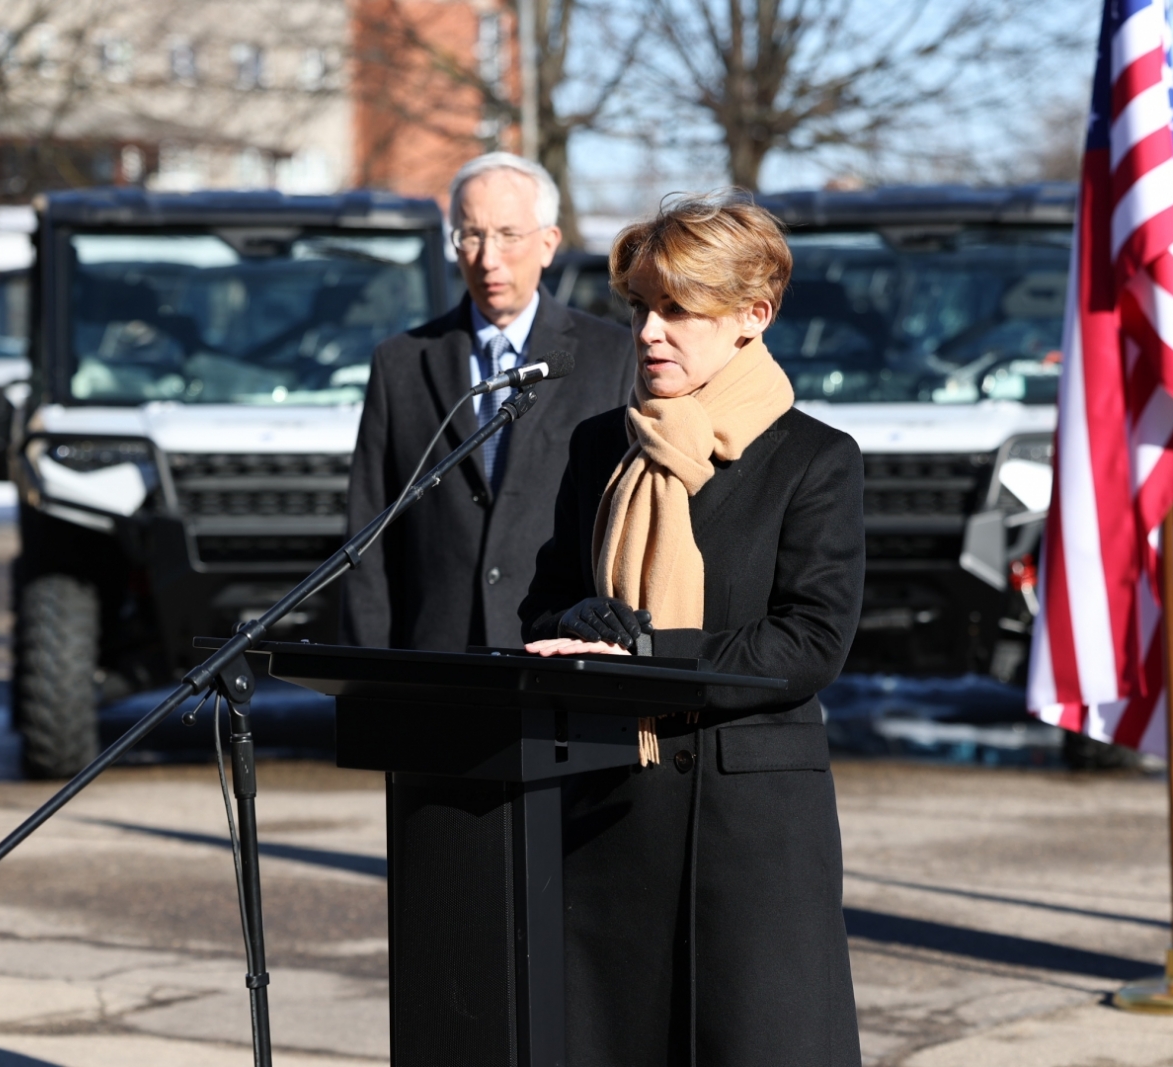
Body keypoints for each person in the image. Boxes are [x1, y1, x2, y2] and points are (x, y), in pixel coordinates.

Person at [519, 194, 865, 1065]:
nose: (648, 333)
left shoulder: (814, 458)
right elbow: (542, 607)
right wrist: (572, 619)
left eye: (679, 310)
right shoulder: (601, 447)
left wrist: (646, 659)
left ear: (754, 315)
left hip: (750, 835)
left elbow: (809, 641)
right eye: (641, 307)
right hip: (609, 816)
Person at [341, 153, 635, 651]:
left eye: (507, 235)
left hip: (561, 655)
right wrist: (371, 676)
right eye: (471, 236)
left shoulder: (614, 356)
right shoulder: (402, 363)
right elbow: (369, 534)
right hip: (436, 661)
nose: (487, 258)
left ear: (548, 243)